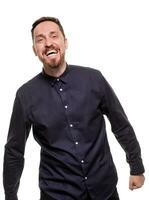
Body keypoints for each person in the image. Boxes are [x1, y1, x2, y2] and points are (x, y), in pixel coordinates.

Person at [3, 16, 145, 200]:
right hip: (57, 194)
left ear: (65, 42)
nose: (48, 43)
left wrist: (136, 166)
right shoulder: (25, 95)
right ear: (34, 50)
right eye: (40, 39)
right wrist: (10, 196)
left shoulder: (94, 79)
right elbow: (14, 150)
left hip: (104, 189)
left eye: (53, 36)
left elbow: (121, 125)